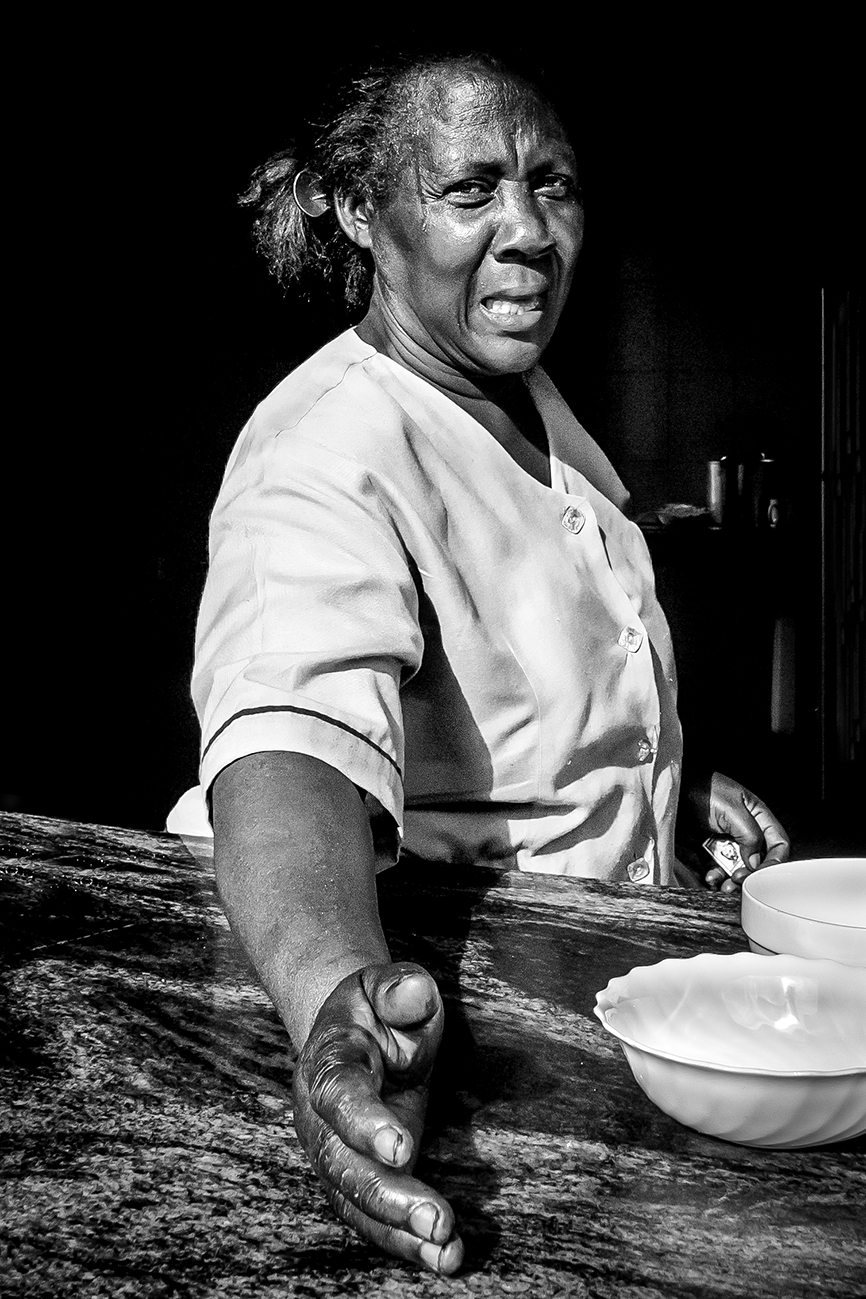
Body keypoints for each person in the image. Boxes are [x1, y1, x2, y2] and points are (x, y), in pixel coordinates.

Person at [174, 52, 790, 1276]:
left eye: (551, 185)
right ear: (364, 213)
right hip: (470, 1033)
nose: (528, 231)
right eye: (469, 190)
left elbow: (526, 678)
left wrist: (657, 775)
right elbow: (286, 745)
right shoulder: (326, 451)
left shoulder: (523, 401)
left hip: (591, 990)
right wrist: (339, 997)